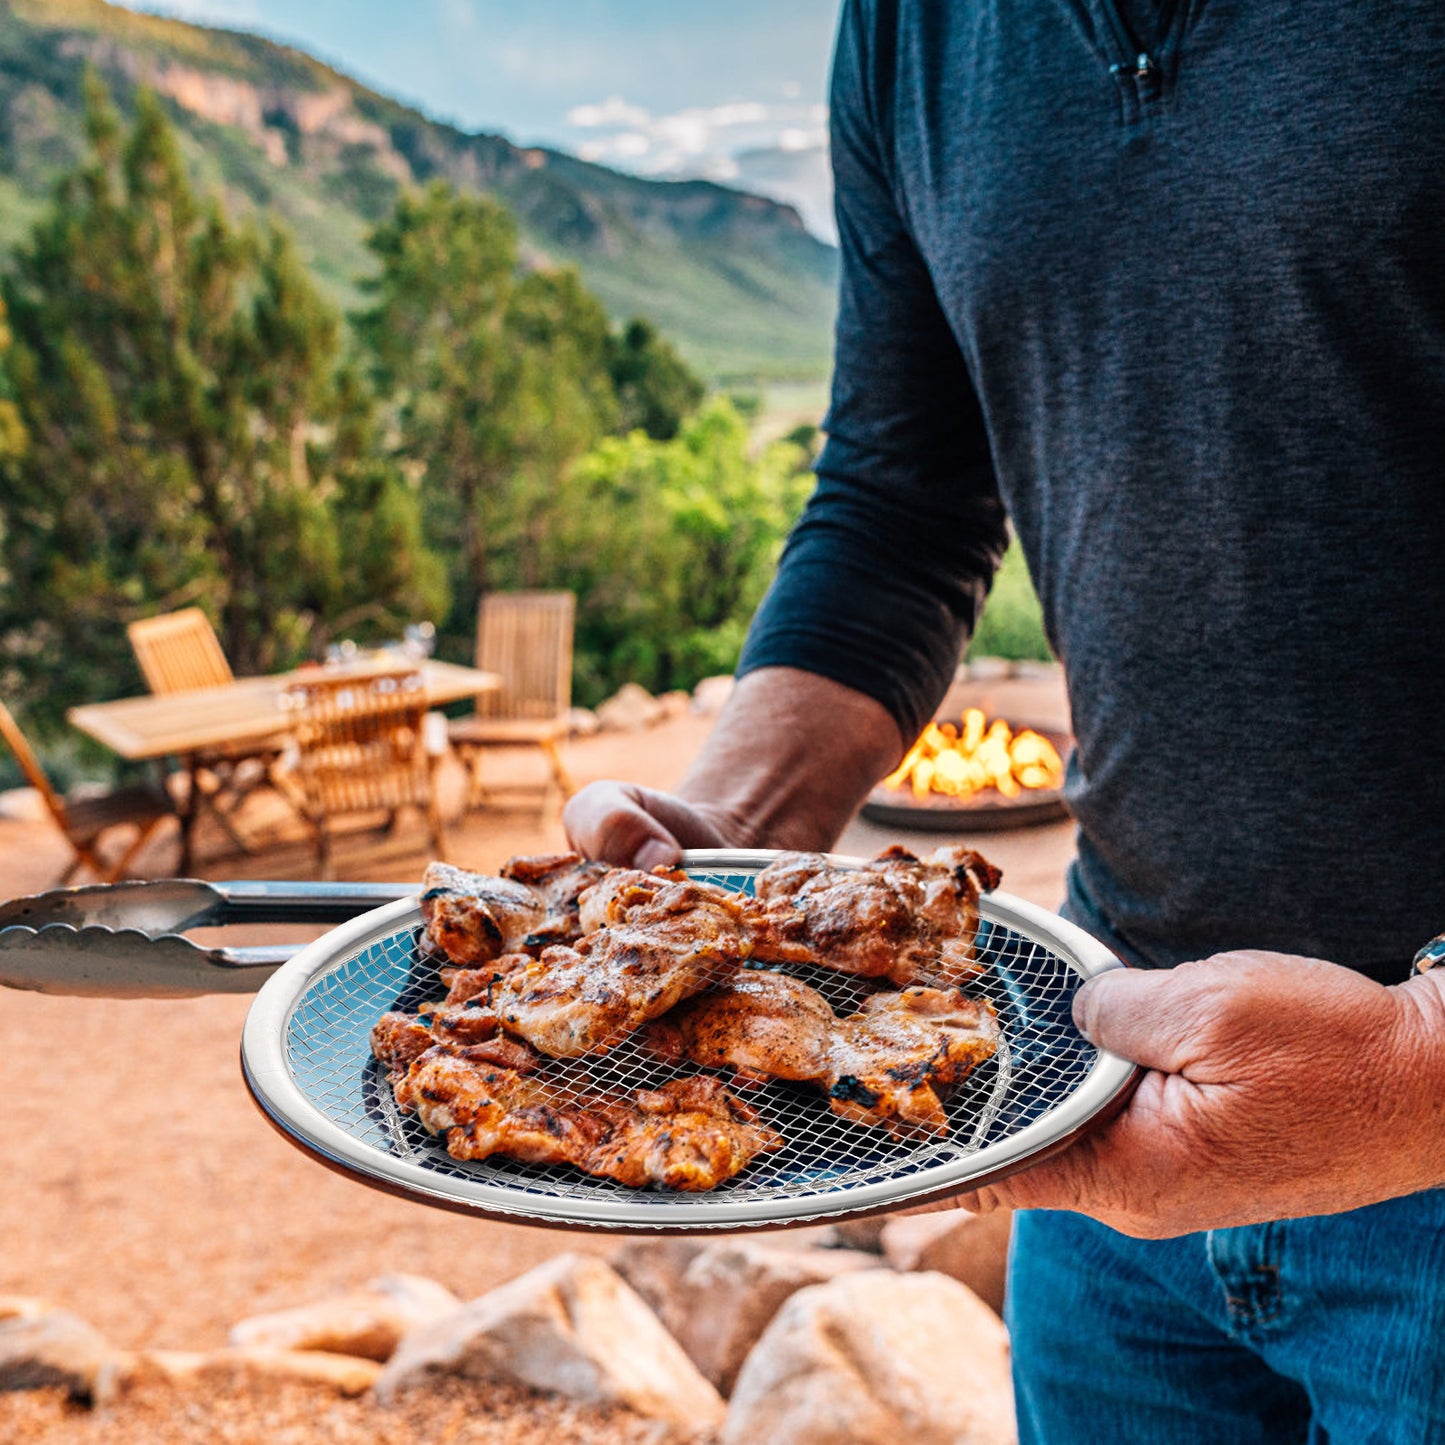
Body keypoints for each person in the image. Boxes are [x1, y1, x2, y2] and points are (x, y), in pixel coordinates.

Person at [565, 3, 1445, 1440]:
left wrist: (1420, 1061)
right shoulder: (914, 29)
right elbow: (898, 507)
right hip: (1089, 1080)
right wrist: (723, 839)